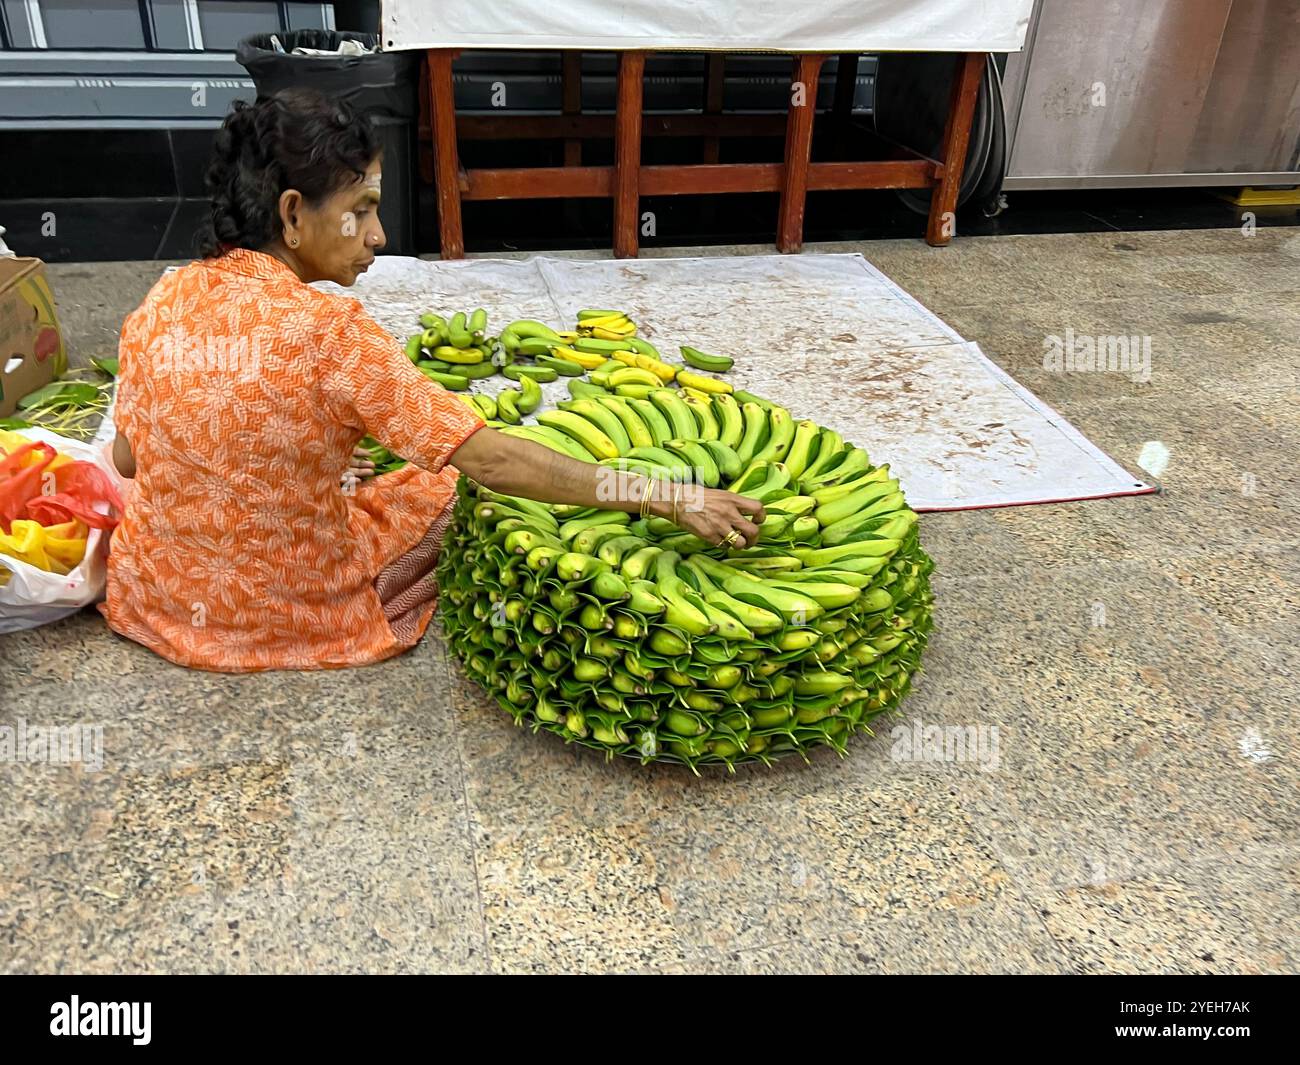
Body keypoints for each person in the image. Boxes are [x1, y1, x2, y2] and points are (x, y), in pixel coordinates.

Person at [101, 88, 764, 671]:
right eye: (360, 209)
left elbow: (130, 458)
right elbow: (494, 461)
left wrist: (296, 452)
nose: (380, 235)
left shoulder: (162, 298)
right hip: (287, 610)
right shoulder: (333, 331)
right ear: (295, 214)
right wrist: (665, 497)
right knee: (447, 485)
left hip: (155, 599)